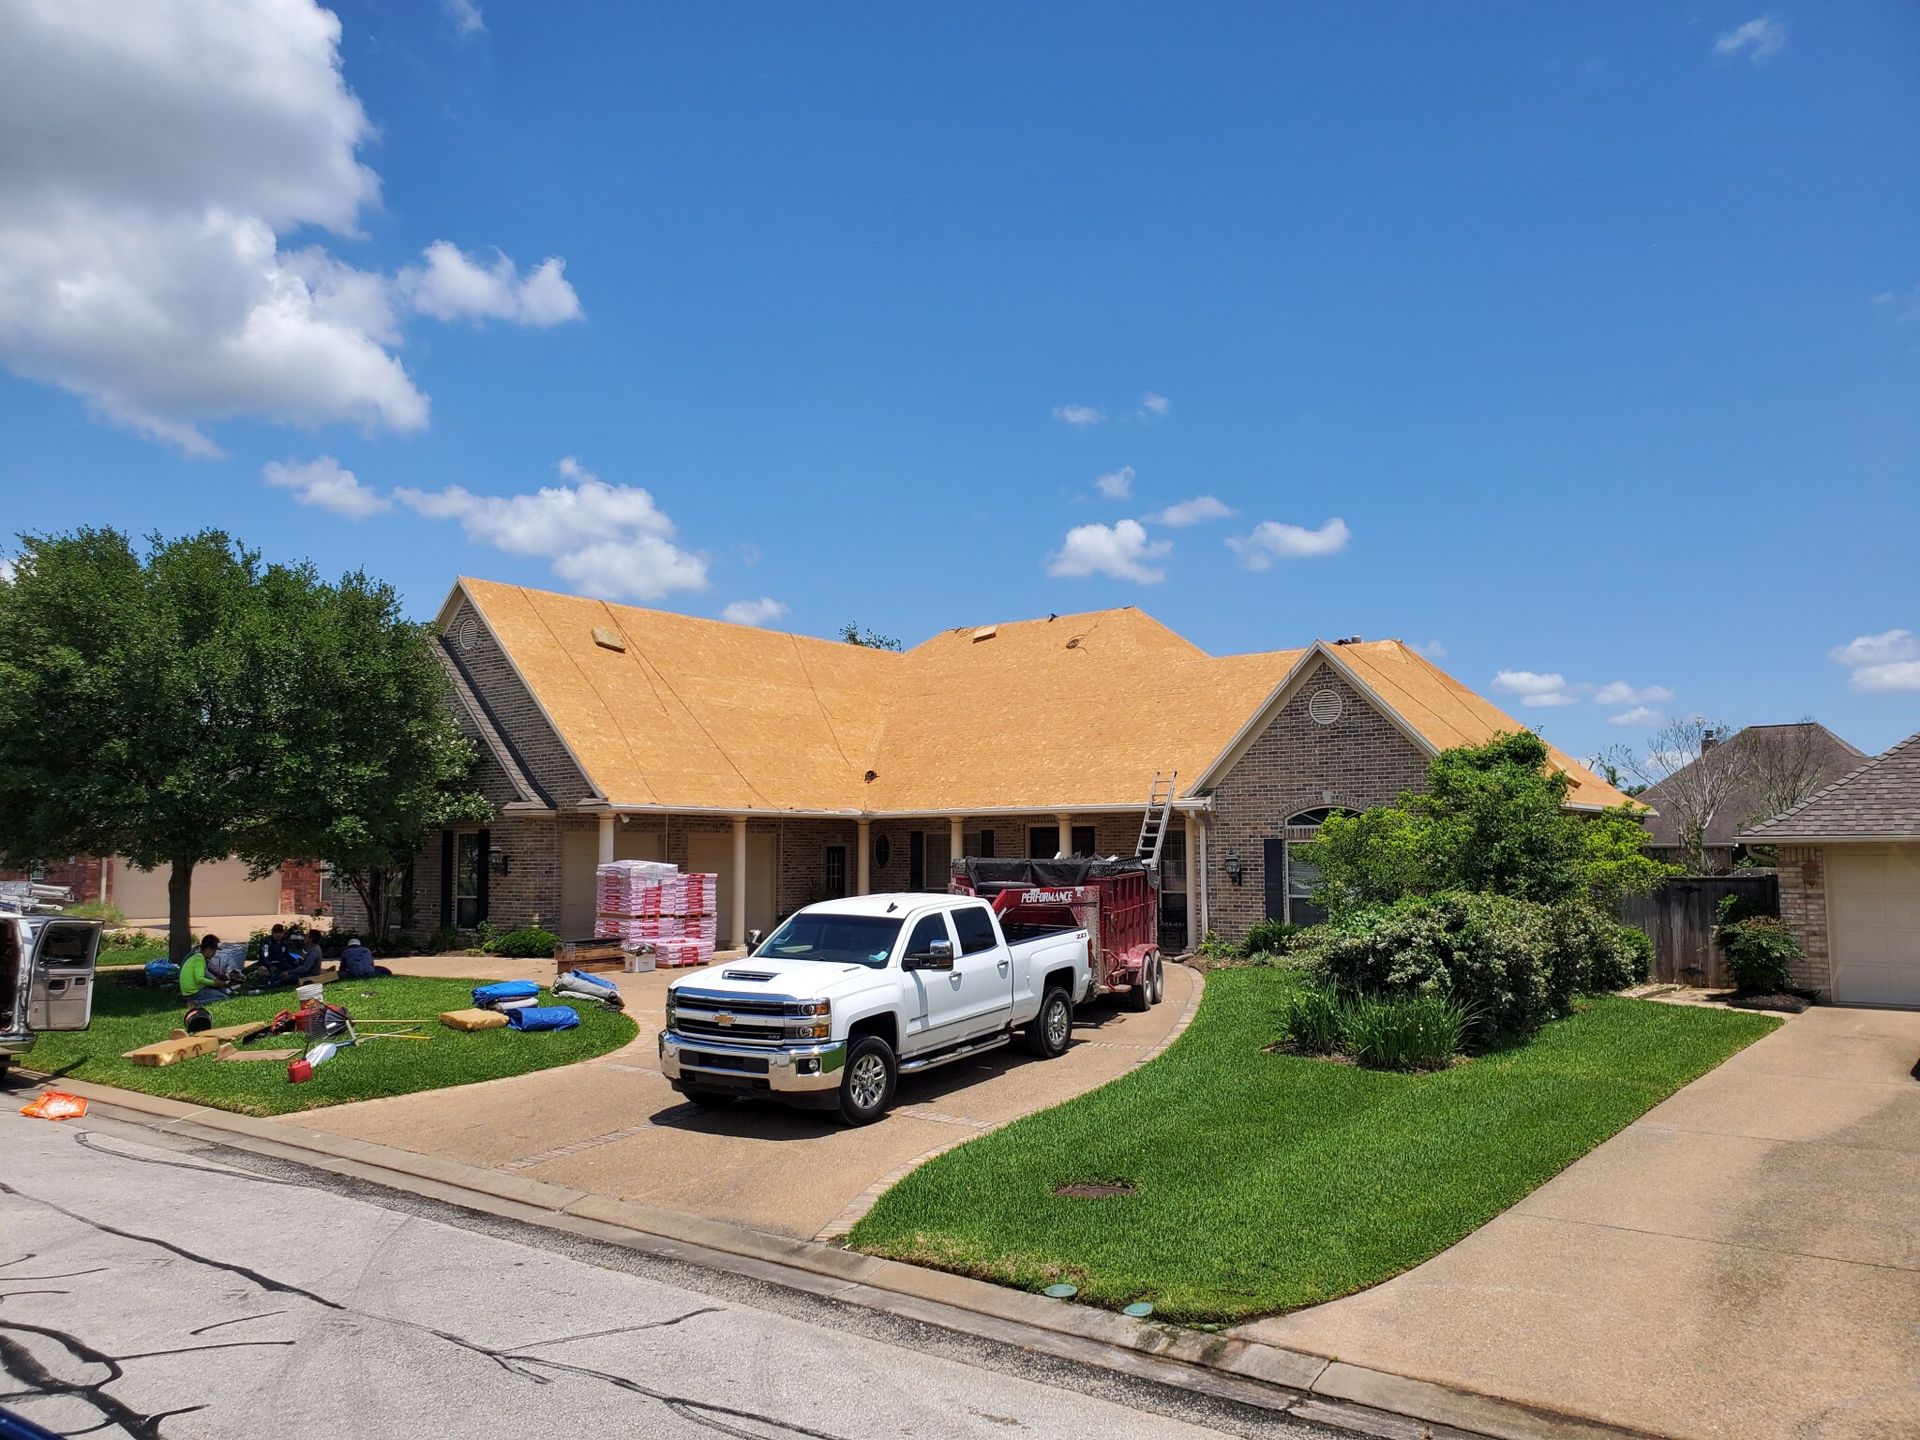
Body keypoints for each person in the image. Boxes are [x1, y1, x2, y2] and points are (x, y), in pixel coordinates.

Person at [178, 934, 231, 1007]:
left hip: (188, 993)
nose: (214, 954)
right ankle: (195, 1003)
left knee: (220, 993)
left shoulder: (198, 957)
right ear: (208, 949)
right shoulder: (199, 960)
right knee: (225, 998)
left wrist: (216, 980)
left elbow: (206, 972)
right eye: (214, 951)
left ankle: (194, 1001)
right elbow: (199, 979)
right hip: (195, 993)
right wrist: (214, 983)